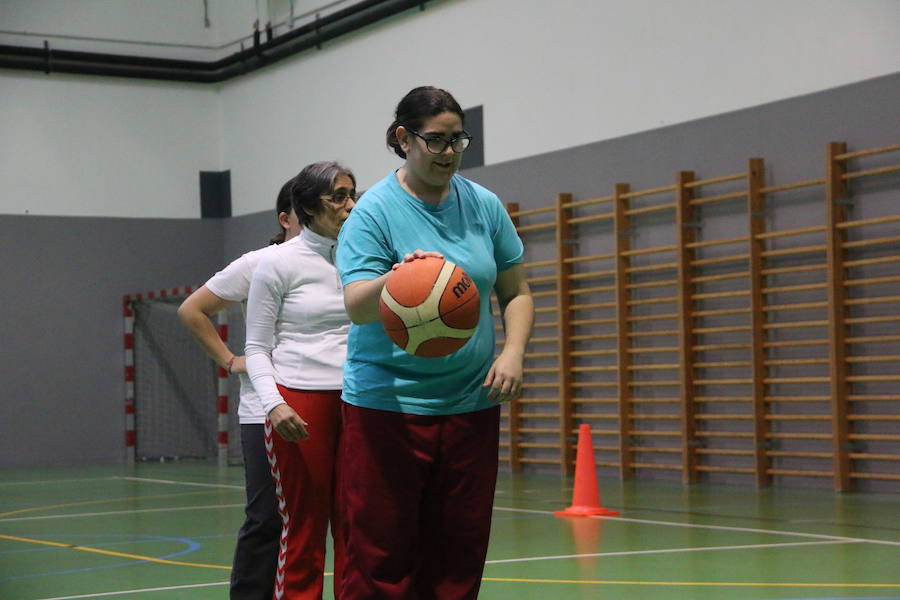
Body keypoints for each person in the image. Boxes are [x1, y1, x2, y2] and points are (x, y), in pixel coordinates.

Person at [335, 86, 534, 599]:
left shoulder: (484, 206)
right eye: (436, 141)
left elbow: (516, 292)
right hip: (387, 408)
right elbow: (357, 304)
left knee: (457, 554)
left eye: (458, 141)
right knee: (380, 555)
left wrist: (512, 352)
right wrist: (399, 279)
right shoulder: (373, 211)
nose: (449, 153)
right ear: (404, 138)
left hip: (470, 404)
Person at [178, 180, 302, 600]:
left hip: (326, 404)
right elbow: (192, 309)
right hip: (265, 411)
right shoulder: (258, 263)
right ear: (285, 219)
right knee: (268, 517)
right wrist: (231, 360)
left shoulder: (341, 262)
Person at [245, 161, 356, 600]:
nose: (350, 205)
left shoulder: (364, 255)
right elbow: (256, 348)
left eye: (353, 194)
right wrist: (274, 404)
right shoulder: (276, 264)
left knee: (356, 524)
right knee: (305, 528)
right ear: (308, 206)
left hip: (361, 401)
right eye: (338, 196)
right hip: (299, 404)